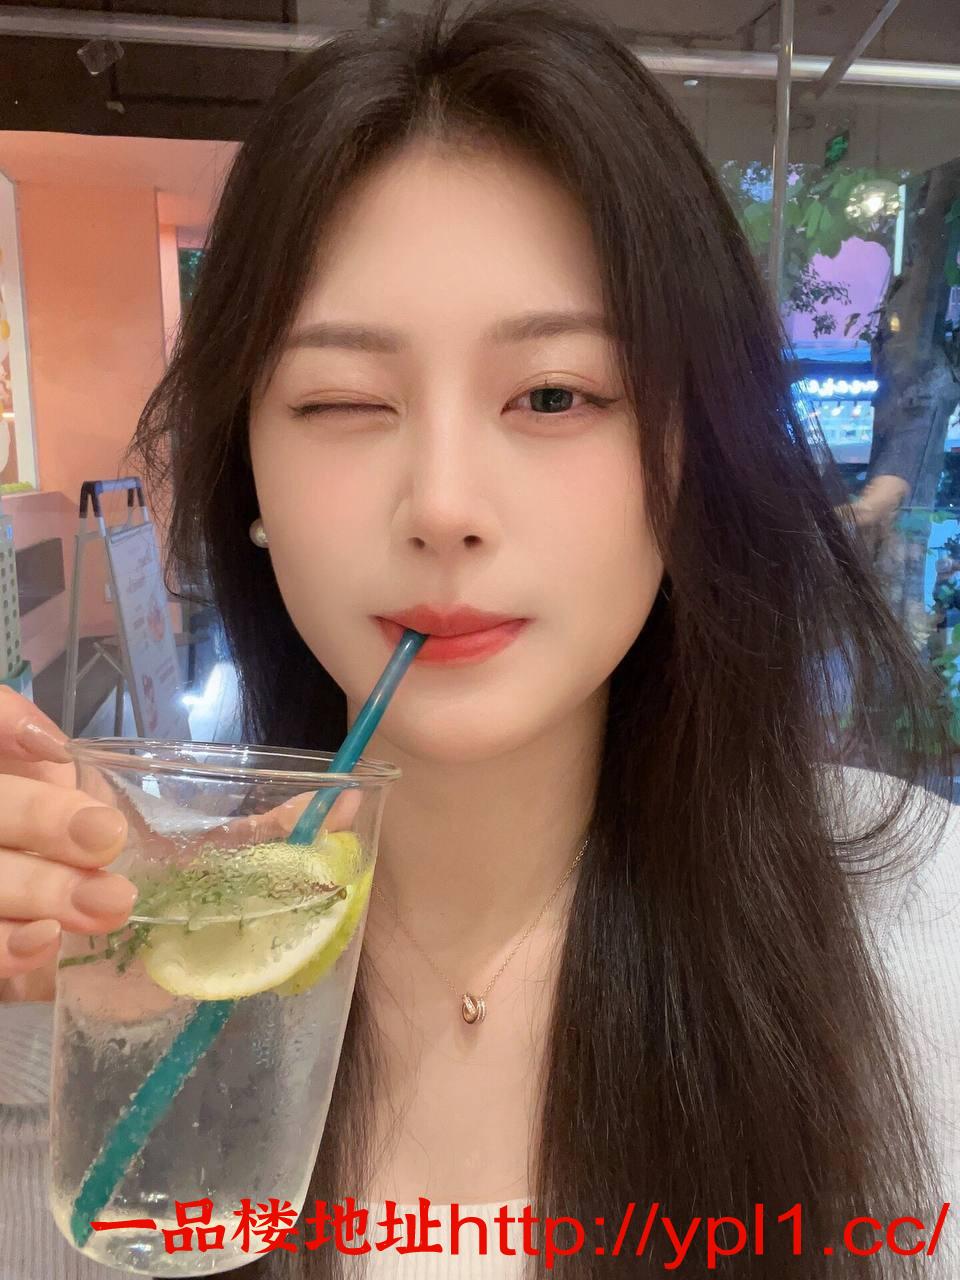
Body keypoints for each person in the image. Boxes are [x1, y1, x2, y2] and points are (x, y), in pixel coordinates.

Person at [0, 1, 958, 1276]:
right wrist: (46, 1053)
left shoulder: (923, 935)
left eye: (554, 394)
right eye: (344, 399)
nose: (444, 504)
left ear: (690, 456)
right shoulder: (119, 954)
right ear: (249, 482)